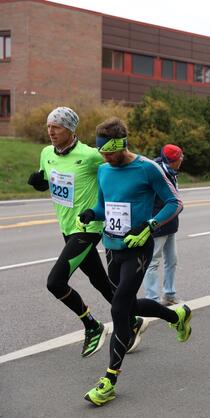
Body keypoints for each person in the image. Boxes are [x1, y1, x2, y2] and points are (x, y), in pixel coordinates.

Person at [79, 118, 191, 406]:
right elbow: (105, 206)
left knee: (118, 309)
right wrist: (93, 213)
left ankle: (109, 380)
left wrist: (149, 226)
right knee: (127, 305)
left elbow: (175, 202)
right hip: (112, 248)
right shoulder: (104, 170)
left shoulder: (147, 168)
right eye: (101, 152)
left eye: (109, 152)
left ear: (122, 145)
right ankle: (176, 316)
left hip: (138, 249)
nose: (104, 157)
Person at [26, 106, 138, 359]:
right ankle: (132, 320)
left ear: (71, 129)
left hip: (87, 228)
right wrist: (40, 183)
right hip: (67, 227)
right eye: (48, 126)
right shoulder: (46, 153)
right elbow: (52, 180)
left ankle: (92, 326)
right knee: (99, 280)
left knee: (55, 282)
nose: (51, 131)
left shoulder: (90, 156)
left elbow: (122, 164)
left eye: (57, 127)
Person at [141, 144, 184, 305]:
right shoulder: (157, 172)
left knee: (172, 260)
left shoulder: (172, 171)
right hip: (158, 224)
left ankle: (169, 295)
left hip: (171, 223)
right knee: (153, 261)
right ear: (172, 161)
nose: (181, 160)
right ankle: (152, 299)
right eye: (180, 158)